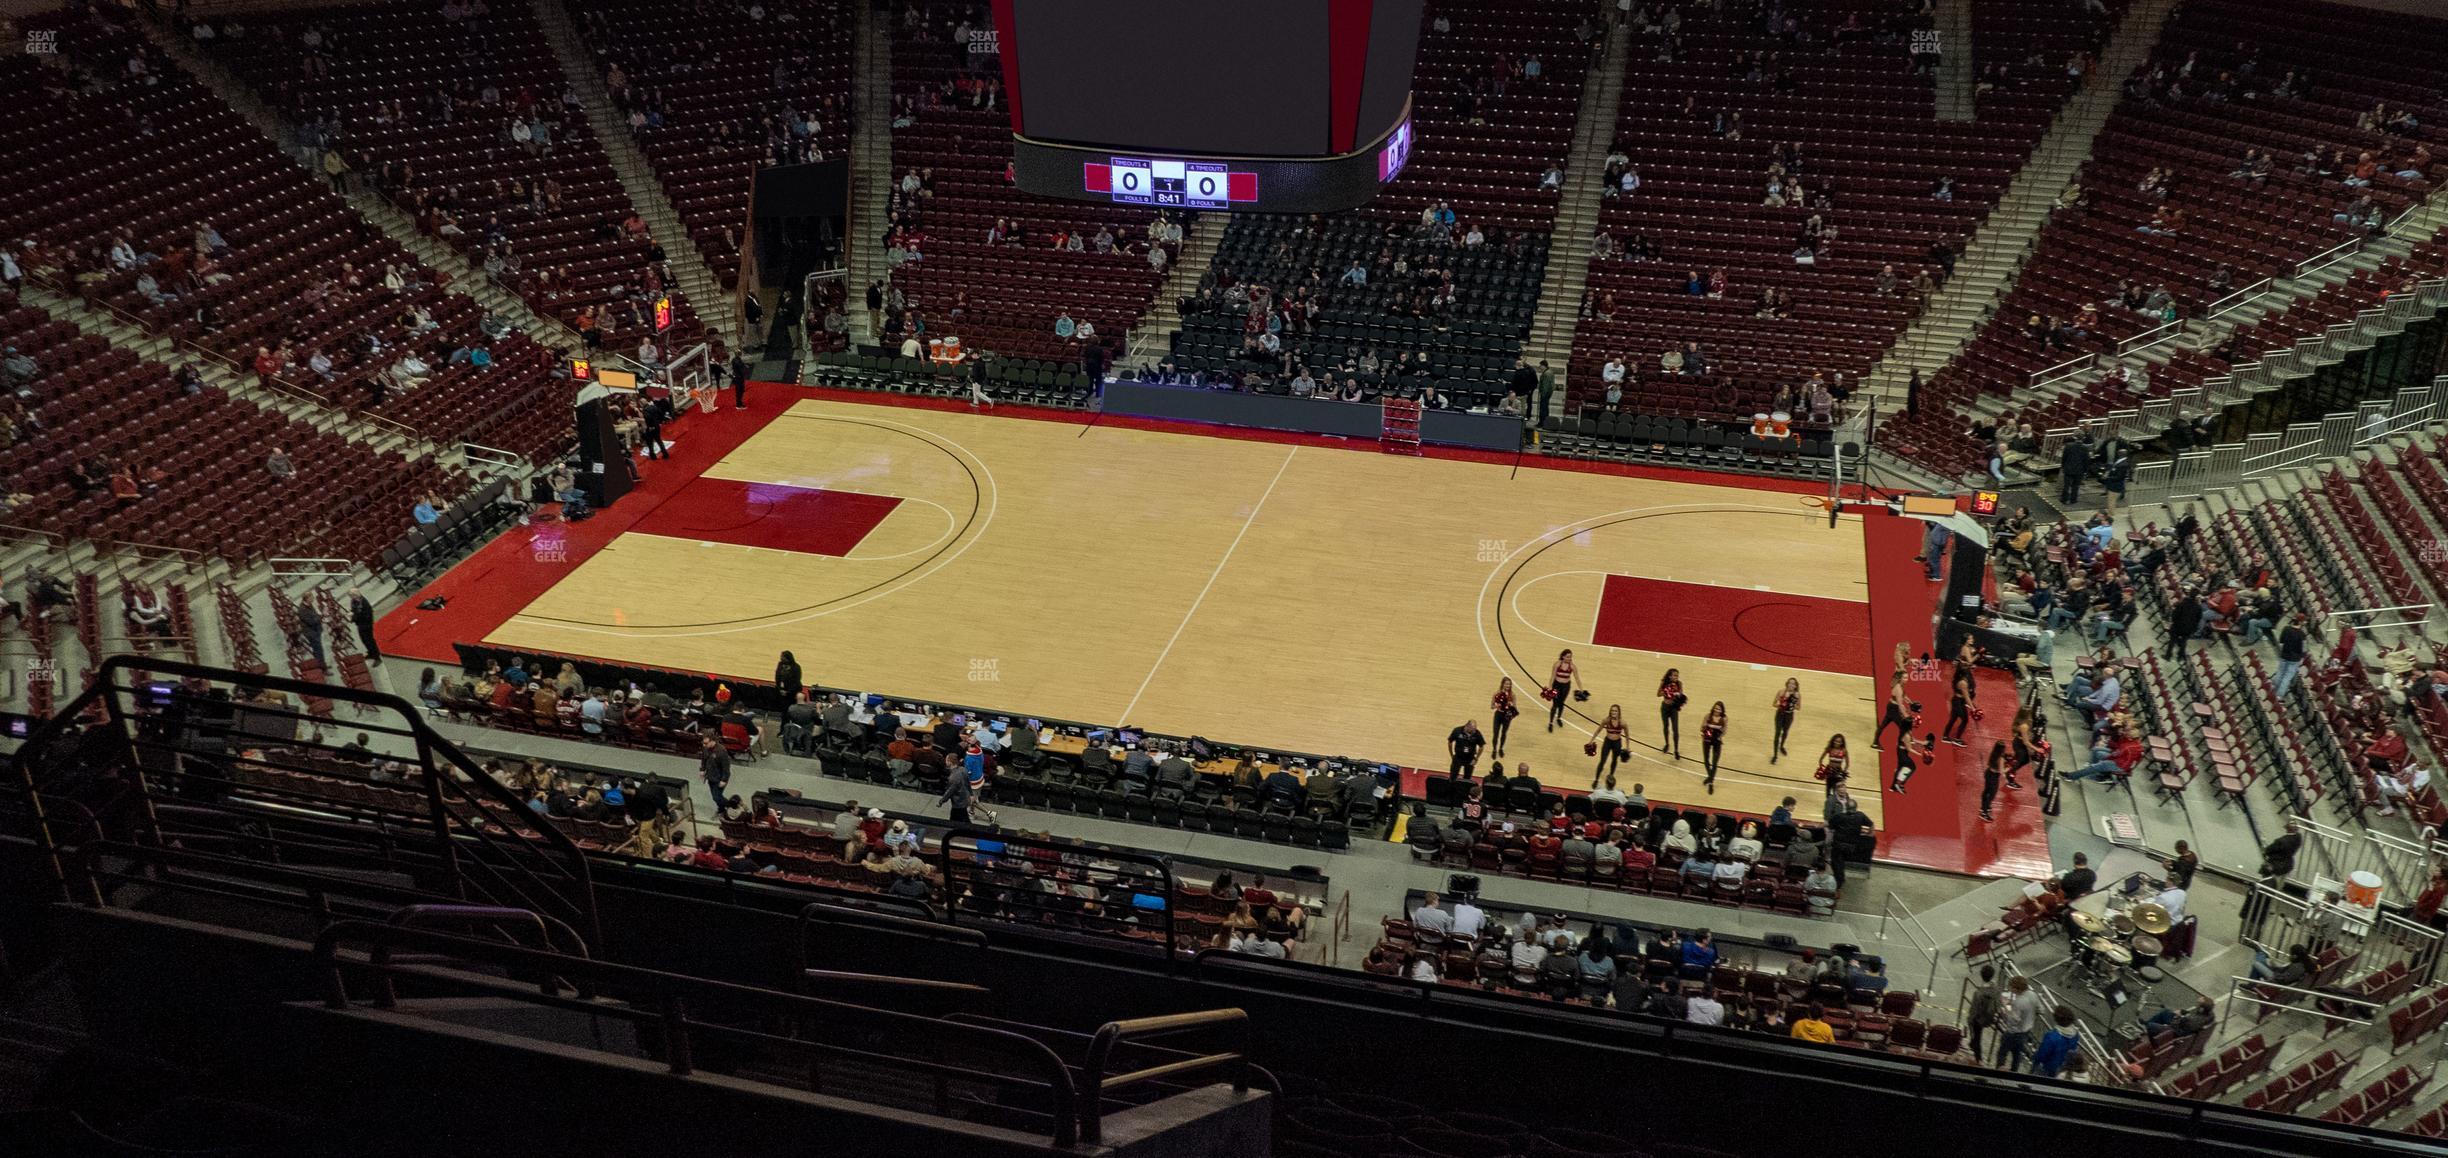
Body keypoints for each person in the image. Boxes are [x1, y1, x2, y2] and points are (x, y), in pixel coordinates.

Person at [1997, 975, 2041, 1070]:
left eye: (2011, 987)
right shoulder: (2033, 994)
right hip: (2026, 1031)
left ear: (2017, 989)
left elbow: (2012, 1021)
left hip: (2013, 1033)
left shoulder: (2018, 1002)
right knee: (2017, 1055)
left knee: (2002, 1053)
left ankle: (1999, 1072)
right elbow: (2041, 1009)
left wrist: (2005, 1006)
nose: (2010, 989)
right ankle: (2014, 1072)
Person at [2031, 1007, 2082, 1078]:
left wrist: (2035, 1058)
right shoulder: (2075, 1034)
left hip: (2048, 1068)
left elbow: (2042, 1055)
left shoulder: (2052, 1036)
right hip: (2063, 1069)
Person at [1965, 965, 2001, 1064]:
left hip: (1978, 1018)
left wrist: (1969, 1019)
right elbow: (1998, 1004)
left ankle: (1978, 1058)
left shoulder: (1978, 993)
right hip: (1989, 1017)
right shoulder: (1996, 990)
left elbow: (1974, 1010)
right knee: (1977, 1036)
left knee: (1976, 1037)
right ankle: (1972, 1044)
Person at [2143, 996, 2216, 1039]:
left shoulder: (2191, 1020)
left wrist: (2177, 1016)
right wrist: (2183, 1012)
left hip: (2175, 1032)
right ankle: (2146, 1024)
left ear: (2201, 1009)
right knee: (2165, 1013)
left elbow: (2175, 1026)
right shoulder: (2210, 1014)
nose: (2196, 1005)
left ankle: (2146, 1031)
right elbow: (2191, 1016)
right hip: (2183, 1025)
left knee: (2151, 1026)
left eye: (2198, 1004)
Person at [1592, 703, 1630, 786]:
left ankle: (1611, 777)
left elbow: (1627, 736)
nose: (1613, 712)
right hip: (1607, 742)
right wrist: (1591, 741)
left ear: (1619, 712)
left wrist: (1627, 747)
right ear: (1610, 711)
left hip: (1617, 743)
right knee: (1602, 761)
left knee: (1614, 760)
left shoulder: (1623, 723)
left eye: (1615, 711)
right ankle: (1596, 779)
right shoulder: (1606, 720)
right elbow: (1598, 730)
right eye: (1612, 710)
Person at [1698, 701, 1727, 792]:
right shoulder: (1708, 716)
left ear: (1722, 710)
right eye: (1715, 708)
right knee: (1706, 760)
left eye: (1719, 709)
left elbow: (1724, 731)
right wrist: (1705, 729)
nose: (1716, 710)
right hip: (1707, 739)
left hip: (1717, 741)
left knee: (1715, 762)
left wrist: (1718, 737)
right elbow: (1701, 727)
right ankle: (1711, 778)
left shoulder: (1724, 719)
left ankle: (1710, 781)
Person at [1657, 668, 1685, 759]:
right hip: (1665, 707)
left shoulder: (1679, 684)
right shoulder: (1664, 683)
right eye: (1675, 675)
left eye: (1677, 675)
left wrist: (1677, 695)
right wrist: (1666, 691)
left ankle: (1676, 750)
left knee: (1675, 729)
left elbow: (1681, 696)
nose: (1676, 677)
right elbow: (1658, 694)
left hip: (1673, 709)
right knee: (1665, 726)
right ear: (1670, 676)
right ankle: (1667, 744)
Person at [1770, 678, 1800, 764]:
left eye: (1793, 684)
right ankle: (1775, 756)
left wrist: (1791, 705)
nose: (1791, 685)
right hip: (1780, 714)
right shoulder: (1781, 692)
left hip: (1789, 715)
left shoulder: (1797, 695)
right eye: (1790, 683)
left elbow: (1799, 707)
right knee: (1777, 733)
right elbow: (1774, 703)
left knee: (1785, 732)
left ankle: (1782, 746)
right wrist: (1781, 705)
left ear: (1796, 686)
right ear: (1787, 684)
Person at [1547, 649, 1576, 731]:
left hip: (1566, 687)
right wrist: (1550, 687)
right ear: (1563, 657)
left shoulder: (1572, 666)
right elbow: (1552, 676)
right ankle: (1551, 723)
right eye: (1567, 657)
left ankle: (1559, 718)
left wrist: (1581, 690)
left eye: (1570, 657)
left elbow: (1577, 678)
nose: (1569, 658)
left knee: (1562, 703)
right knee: (1555, 705)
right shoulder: (1557, 664)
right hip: (1556, 686)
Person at [1488, 677, 1518, 758]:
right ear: (1502, 684)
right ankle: (1494, 749)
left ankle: (1501, 748)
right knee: (1495, 734)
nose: (1508, 685)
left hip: (1506, 716)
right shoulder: (1496, 693)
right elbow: (1492, 706)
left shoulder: (1513, 695)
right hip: (1498, 715)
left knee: (1504, 733)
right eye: (1506, 684)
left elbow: (1515, 708)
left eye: (1509, 684)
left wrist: (1511, 705)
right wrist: (1496, 706)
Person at [1979, 741, 2008, 822]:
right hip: (1994, 777)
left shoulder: (1994, 753)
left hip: (1988, 773)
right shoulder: (2001, 758)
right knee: (1992, 795)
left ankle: (1983, 808)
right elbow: (2002, 771)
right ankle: (1984, 812)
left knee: (1986, 791)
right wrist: (2009, 767)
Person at [348, 588, 379, 663]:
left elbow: (365, 616)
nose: (351, 598)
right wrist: (352, 614)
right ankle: (370, 653)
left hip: (366, 624)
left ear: (356, 595)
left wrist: (353, 617)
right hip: (360, 624)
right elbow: (353, 609)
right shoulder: (354, 601)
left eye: (352, 596)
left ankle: (377, 657)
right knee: (364, 640)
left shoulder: (364, 603)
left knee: (370, 640)